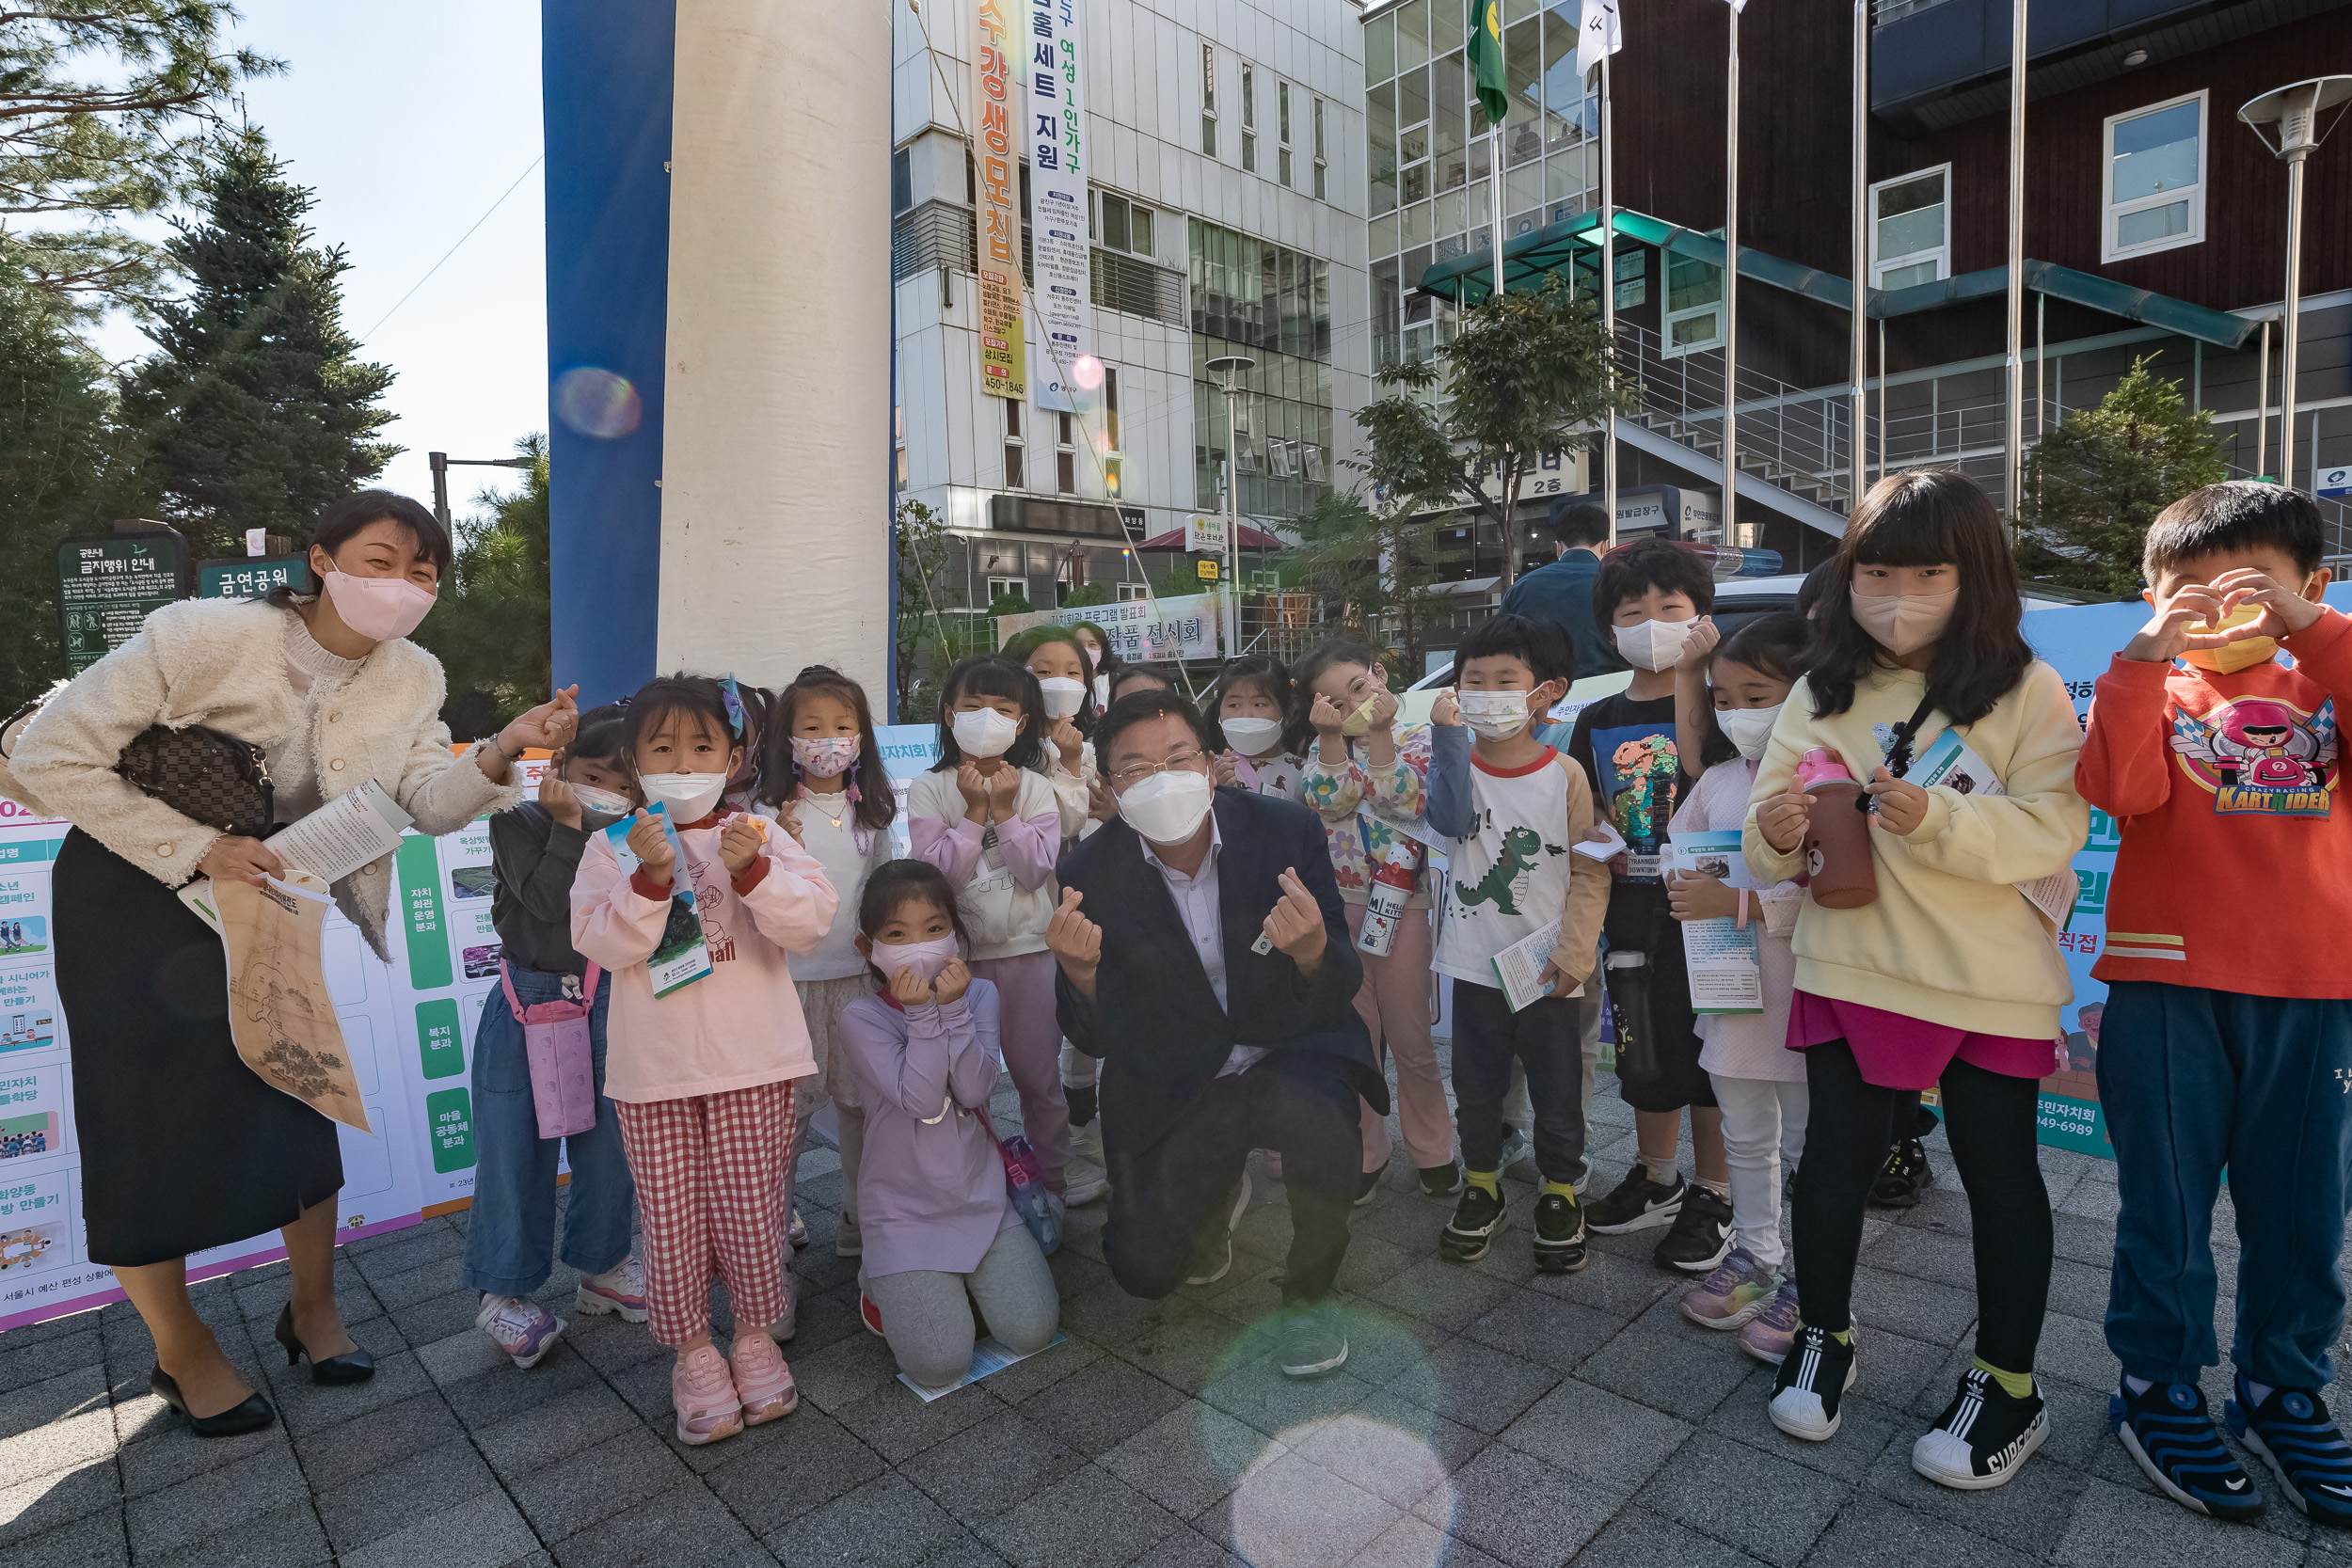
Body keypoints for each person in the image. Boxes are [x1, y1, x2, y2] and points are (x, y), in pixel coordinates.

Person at [4, 489, 577, 1435]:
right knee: (139, 1117)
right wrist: (195, 846)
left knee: (300, 1092)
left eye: (424, 572)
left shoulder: (416, 676)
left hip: (265, 895)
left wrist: (504, 748)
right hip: (132, 896)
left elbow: (425, 802)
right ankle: (180, 1349)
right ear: (322, 558)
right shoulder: (199, 632)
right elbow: (56, 754)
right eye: (382, 559)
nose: (404, 586)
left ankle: (312, 1308)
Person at [1745, 470, 2087, 1488]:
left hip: (1988, 978)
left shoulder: (2026, 687)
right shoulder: (1822, 685)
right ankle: (1824, 1333)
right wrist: (1774, 833)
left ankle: (2008, 1380)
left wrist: (1935, 817)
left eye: (1927, 569)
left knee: (2001, 1179)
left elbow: (2054, 825)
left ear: (1971, 573)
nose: (1899, 591)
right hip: (1851, 962)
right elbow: (1770, 831)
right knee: (1834, 1162)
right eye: (1878, 570)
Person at [2079, 481, 2352, 1524]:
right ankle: (2154, 1382)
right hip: (2163, 984)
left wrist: (2315, 633)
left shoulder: (2322, 680)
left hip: (2316, 988)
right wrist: (2147, 656)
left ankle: (2281, 1386)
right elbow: (2117, 791)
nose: (2215, 606)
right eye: (2183, 588)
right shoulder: (2148, 686)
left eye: (2247, 585)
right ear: (2147, 596)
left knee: (2304, 1210)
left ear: (2308, 586)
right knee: (2166, 1208)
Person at [1048, 689, 1379, 1377]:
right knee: (1143, 1269)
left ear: (1209, 763)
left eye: (1178, 757)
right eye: (1135, 768)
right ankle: (1215, 1193)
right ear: (1109, 785)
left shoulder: (1284, 830)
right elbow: (1094, 1034)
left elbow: (1340, 979)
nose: (1162, 778)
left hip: (1286, 1047)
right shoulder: (1088, 871)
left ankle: (1310, 1291)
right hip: (1178, 1072)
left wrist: (1314, 947)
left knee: (1321, 1123)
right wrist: (1080, 973)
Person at [570, 674, 838, 1446]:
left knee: (754, 1211)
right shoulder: (608, 847)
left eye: (701, 746)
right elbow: (601, 941)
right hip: (653, 1076)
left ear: (733, 756)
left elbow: (809, 922)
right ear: (634, 760)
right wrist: (651, 880)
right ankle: (693, 1353)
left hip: (753, 1063)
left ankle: (754, 1336)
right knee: (672, 1220)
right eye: (662, 748)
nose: (682, 761)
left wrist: (754, 870)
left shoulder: (762, 834)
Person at [1422, 614, 1611, 1272]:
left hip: (1548, 969)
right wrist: (1447, 738)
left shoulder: (1566, 775)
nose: (1488, 693)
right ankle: (1481, 1183)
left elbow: (1590, 868)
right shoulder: (1451, 764)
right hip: (1473, 967)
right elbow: (1447, 818)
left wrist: (1576, 951)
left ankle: (1561, 1189)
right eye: (1475, 681)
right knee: (1476, 1087)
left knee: (1559, 1087)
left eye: (1507, 680)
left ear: (1545, 692)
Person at [1569, 539, 1734, 1271]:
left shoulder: (1726, 701)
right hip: (1632, 904)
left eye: (1671, 607)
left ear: (1702, 614)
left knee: (1718, 1050)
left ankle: (1718, 1190)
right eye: (1633, 611)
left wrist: (1699, 675)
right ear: (1610, 629)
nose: (1653, 622)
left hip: (1713, 903)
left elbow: (1716, 774)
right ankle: (1656, 1173)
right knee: (1644, 1039)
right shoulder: (1598, 714)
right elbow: (1589, 804)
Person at [468, 704, 644, 1368]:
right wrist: (569, 827)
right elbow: (547, 901)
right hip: (525, 1008)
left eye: (623, 784)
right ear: (561, 767)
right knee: (514, 1150)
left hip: (606, 1002)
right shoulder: (517, 821)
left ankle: (603, 1265)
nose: (608, 794)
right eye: (593, 774)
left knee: (610, 1143)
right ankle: (502, 1292)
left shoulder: (635, 834)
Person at [838, 862, 1059, 1388]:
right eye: (897, 934)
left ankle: (949, 1287)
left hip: (979, 1196)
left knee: (1032, 1332)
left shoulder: (979, 995)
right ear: (869, 949)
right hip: (903, 1209)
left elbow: (975, 1090)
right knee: (939, 1366)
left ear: (956, 936)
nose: (919, 945)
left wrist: (953, 1009)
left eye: (935, 929)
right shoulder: (861, 1017)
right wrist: (921, 1015)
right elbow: (919, 1098)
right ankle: (880, 1281)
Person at [1664, 612, 1811, 1364]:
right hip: (1732, 998)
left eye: (1757, 693)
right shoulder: (1719, 780)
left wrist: (1741, 904)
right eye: (1723, 697)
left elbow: (1841, 892)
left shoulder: (1826, 780)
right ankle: (1755, 1255)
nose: (1736, 712)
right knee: (1747, 1136)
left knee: (1815, 1147)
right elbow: (1677, 849)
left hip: (1809, 1002)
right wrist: (1685, 883)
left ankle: (1817, 1286)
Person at [907, 657, 1072, 1198]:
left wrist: (1005, 810)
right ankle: (970, 1187)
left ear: (1022, 723)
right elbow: (940, 879)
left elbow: (1033, 871)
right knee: (963, 1082)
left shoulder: (1033, 786)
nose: (986, 718)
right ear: (949, 715)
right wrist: (975, 813)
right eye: (972, 707)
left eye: (1002, 709)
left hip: (1030, 953)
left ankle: (1050, 1182)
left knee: (1038, 1078)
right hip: (960, 961)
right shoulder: (930, 789)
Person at [1295, 641, 1451, 1200]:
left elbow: (1403, 802)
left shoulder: (1418, 738)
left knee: (1411, 1036)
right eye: (1334, 703)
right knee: (1358, 1039)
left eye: (1358, 689)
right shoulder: (1320, 752)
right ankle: (1366, 1153)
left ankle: (1434, 1149)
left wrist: (1381, 733)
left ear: (1380, 675)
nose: (1352, 706)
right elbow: (1328, 801)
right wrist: (1334, 737)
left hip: (1403, 904)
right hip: (1341, 907)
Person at [757, 666, 898, 1267]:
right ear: (787, 738)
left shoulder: (876, 812)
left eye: (842, 725)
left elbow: (884, 894)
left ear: (861, 736)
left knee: (860, 1109)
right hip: (786, 988)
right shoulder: (765, 811)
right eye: (811, 726)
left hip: (857, 984)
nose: (828, 738)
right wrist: (774, 841)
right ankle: (770, 1240)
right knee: (784, 1121)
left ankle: (859, 1223)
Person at [1007, 626, 1111, 1207]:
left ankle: (1064, 1152)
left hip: (1080, 909)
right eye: (1043, 671)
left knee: (1074, 1028)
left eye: (1073, 672)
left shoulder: (1093, 750)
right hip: (1019, 921)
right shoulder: (1000, 754)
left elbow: (1090, 828)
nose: (1060, 683)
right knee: (1026, 1050)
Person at [1499, 499, 1622, 683]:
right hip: (1608, 693)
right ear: (1605, 546)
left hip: (1542, 698)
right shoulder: (1620, 582)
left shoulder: (1522, 587)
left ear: (1558, 547)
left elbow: (1499, 647)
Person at [1209, 654, 1307, 803]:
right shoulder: (1209, 769)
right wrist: (1215, 791)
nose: (1245, 715)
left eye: (1259, 704)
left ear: (1287, 708)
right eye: (1233, 705)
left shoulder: (1305, 772)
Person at [1072, 621, 1120, 712]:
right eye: (1079, 645)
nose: (1086, 650)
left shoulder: (1117, 682)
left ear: (1102, 650)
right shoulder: (1066, 684)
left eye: (1092, 645)